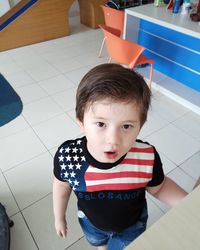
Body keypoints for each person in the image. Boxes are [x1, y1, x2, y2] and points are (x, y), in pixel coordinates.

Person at [53, 63, 187, 250]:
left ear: (140, 126)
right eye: (101, 124)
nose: (113, 140)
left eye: (126, 126)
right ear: (81, 122)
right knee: (99, 244)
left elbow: (160, 186)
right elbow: (61, 185)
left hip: (132, 226)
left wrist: (189, 204)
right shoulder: (69, 157)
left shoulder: (146, 157)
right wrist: (59, 217)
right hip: (92, 225)